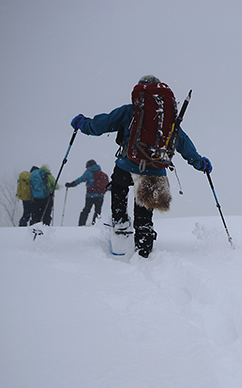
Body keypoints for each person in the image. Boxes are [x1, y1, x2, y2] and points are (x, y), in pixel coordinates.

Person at [70, 75, 212, 257]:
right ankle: (144, 241)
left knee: (119, 187)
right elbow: (183, 143)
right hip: (155, 169)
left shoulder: (131, 111)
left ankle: (120, 223)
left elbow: (100, 125)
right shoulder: (168, 119)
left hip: (127, 163)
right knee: (144, 206)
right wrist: (200, 163)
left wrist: (82, 123)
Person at [65, 159, 109, 226]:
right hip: (100, 195)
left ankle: (81, 224)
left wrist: (71, 184)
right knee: (98, 211)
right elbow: (107, 185)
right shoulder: (101, 173)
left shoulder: (89, 172)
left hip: (90, 195)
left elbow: (81, 179)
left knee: (86, 210)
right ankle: (96, 224)